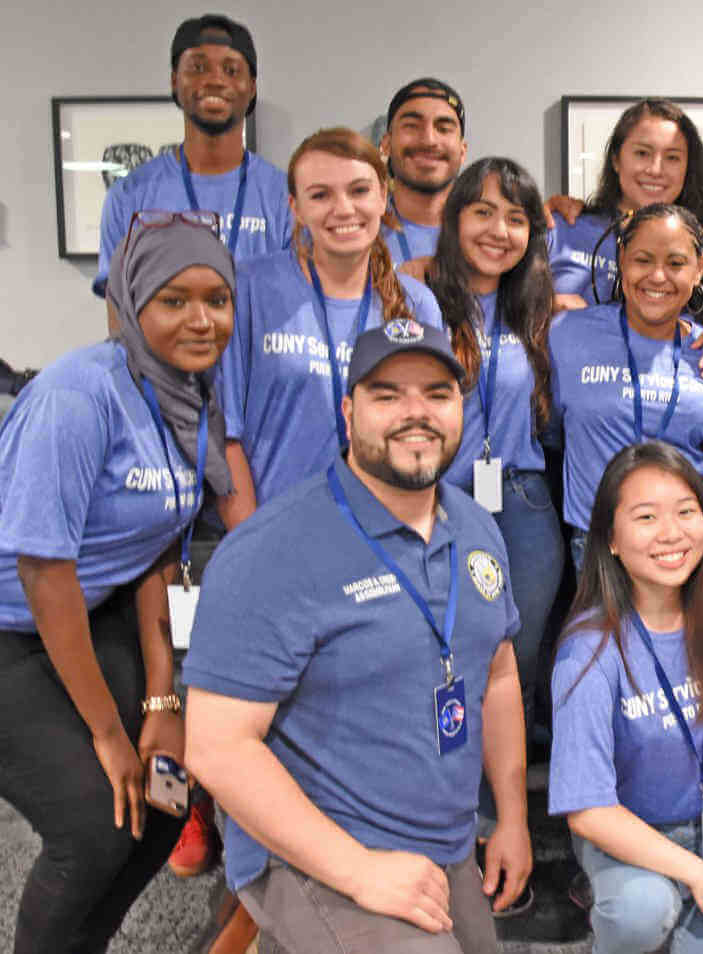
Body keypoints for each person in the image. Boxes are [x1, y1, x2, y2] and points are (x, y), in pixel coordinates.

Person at [183, 320, 532, 953]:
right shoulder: (272, 551)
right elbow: (216, 748)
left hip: (444, 842)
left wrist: (512, 818)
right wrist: (359, 871)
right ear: (348, 413)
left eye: (436, 393)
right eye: (387, 394)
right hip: (317, 848)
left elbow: (499, 674)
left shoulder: (478, 529)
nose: (415, 413)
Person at [0, 212, 236, 952]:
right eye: (173, 301)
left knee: (165, 797)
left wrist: (163, 702)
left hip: (90, 614)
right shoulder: (77, 395)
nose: (201, 320)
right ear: (133, 303)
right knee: (91, 828)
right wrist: (109, 732)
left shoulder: (189, 395)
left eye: (217, 299)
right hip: (20, 621)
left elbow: (159, 546)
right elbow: (44, 571)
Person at [549, 441, 703, 954]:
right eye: (646, 516)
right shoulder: (588, 650)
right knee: (642, 912)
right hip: (625, 837)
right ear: (610, 538)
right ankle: (614, 905)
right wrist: (695, 872)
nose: (671, 533)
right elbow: (588, 810)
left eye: (686, 511)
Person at [548, 203, 703, 617]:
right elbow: (554, 431)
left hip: (697, 551)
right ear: (621, 260)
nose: (657, 276)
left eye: (676, 263)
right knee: (617, 670)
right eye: (643, 260)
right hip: (603, 552)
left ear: (700, 269)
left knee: (700, 675)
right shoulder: (568, 335)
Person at [219, 126, 441, 527]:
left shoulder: (417, 304)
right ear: (296, 207)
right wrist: (251, 540)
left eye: (358, 191)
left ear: (383, 197)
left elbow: (426, 434)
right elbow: (225, 435)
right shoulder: (248, 288)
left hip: (382, 533)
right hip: (277, 531)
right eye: (320, 195)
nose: (343, 209)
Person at [426, 157, 563, 759]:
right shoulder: (416, 303)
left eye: (514, 218)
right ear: (455, 220)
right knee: (450, 649)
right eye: (482, 212)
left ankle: (515, 806)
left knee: (522, 655)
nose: (498, 231)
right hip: (441, 504)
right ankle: (455, 793)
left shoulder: (542, 312)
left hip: (524, 504)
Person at [93, 14, 290, 298]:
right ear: (175, 81)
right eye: (198, 67)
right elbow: (120, 314)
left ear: (252, 87)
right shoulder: (129, 196)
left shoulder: (285, 196)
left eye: (231, 70)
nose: (214, 80)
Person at [547, 98, 703, 311]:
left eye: (672, 157)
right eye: (642, 153)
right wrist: (542, 309)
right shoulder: (560, 228)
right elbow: (500, 307)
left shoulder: (699, 247)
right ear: (616, 159)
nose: (656, 170)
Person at [380, 78, 469, 265]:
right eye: (411, 126)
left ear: (462, 151)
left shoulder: (495, 234)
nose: (429, 140)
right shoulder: (357, 231)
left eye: (443, 129)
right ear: (386, 145)